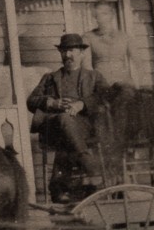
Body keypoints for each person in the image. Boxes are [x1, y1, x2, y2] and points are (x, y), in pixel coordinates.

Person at [27, 32, 105, 202]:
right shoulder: (50, 78)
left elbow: (105, 97)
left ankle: (59, 188)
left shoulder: (94, 77)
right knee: (64, 119)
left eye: (72, 51)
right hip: (54, 126)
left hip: (85, 126)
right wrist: (54, 104)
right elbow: (31, 101)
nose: (68, 55)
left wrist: (81, 104)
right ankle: (90, 168)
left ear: (81, 53)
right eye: (64, 51)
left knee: (67, 135)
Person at [85, 1, 139, 87]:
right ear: (95, 17)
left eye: (105, 13)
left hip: (124, 82)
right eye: (98, 15)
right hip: (101, 83)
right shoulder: (88, 37)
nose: (102, 18)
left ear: (112, 15)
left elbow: (138, 61)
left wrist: (136, 83)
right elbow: (87, 66)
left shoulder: (124, 37)